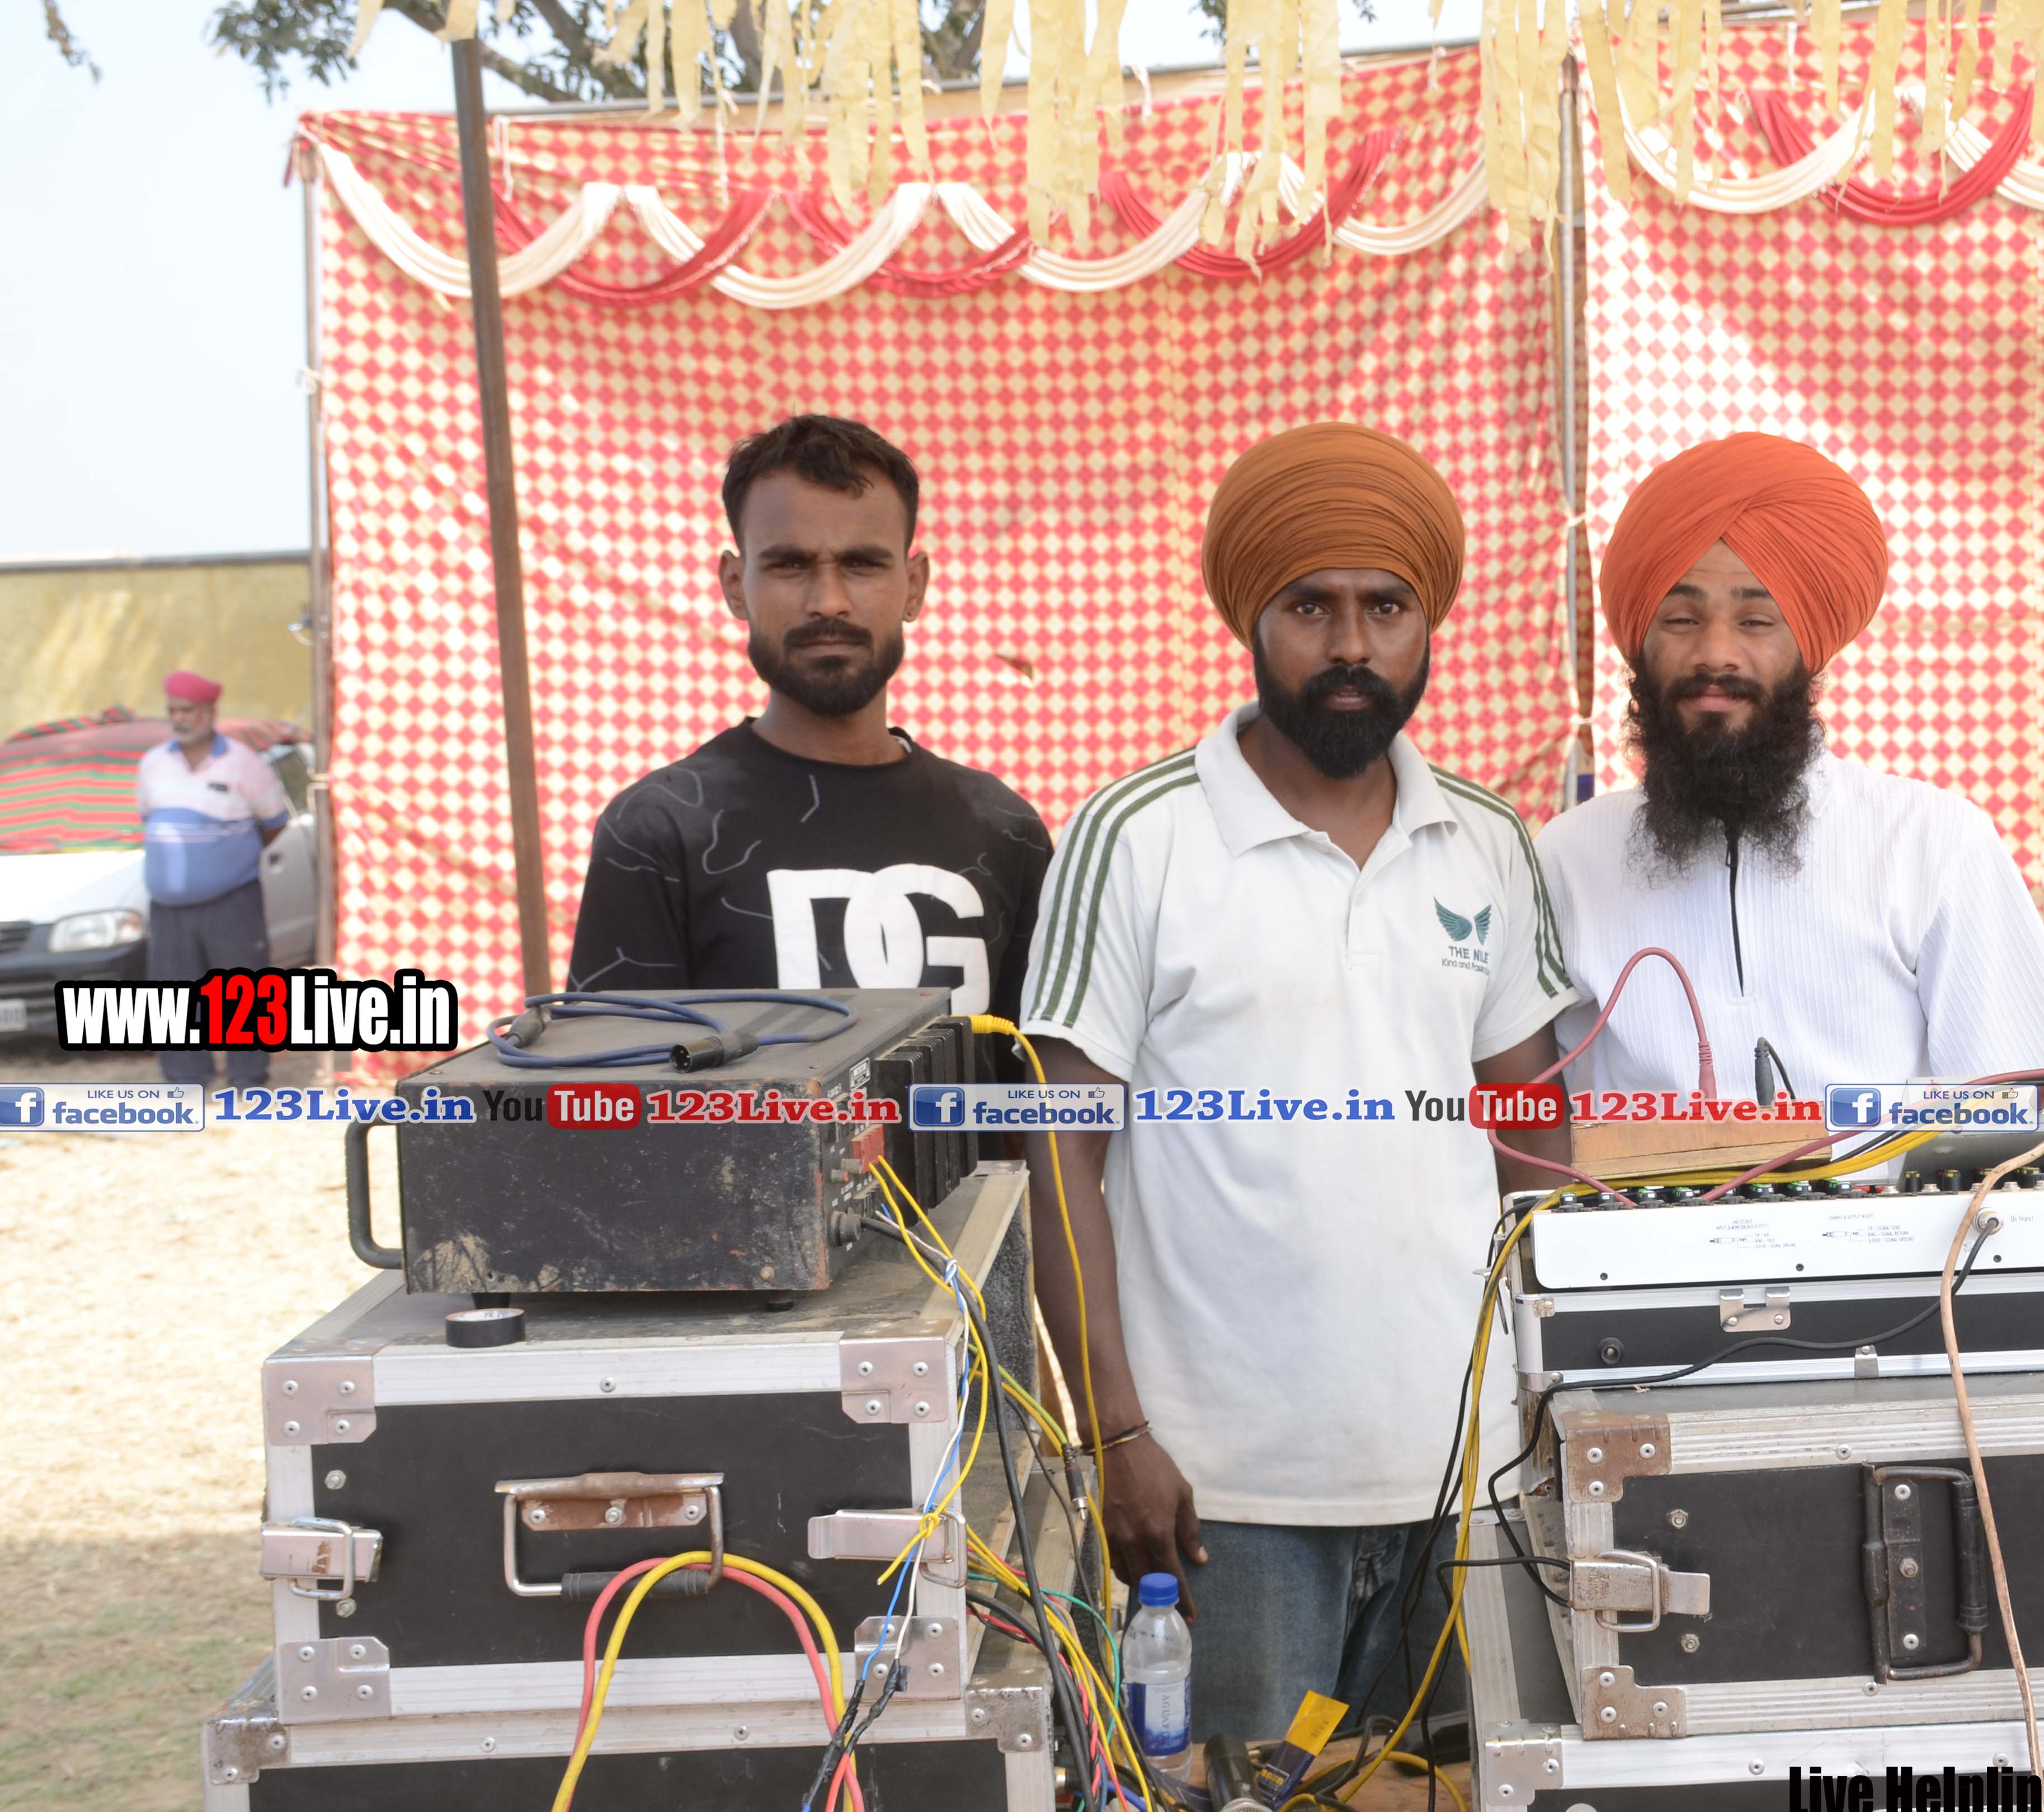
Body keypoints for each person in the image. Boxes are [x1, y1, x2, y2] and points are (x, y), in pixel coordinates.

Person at [1017, 423, 1580, 1743]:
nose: (1351, 644)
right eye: (1310, 606)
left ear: (1428, 623)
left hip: (1469, 1480)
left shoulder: (1488, 841)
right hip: (1221, 1494)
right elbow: (1059, 1151)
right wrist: (1115, 1435)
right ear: (1250, 620)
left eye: (1386, 606)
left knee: (1462, 1797)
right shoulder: (1135, 837)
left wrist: (1549, 1404)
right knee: (1238, 1804)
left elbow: (1533, 1135)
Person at [1536, 433, 2044, 1103]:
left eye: (1755, 622)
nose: (1715, 654)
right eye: (1681, 619)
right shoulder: (1566, 858)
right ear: (1640, 646)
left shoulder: (1931, 841)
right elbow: (1523, 1116)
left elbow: (2041, 1105)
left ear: (1809, 646)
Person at [567, 415, 1051, 1029]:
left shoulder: (1005, 830)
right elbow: (610, 1080)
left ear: (914, 587)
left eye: (862, 564)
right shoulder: (659, 832)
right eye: (790, 565)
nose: (828, 601)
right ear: (735, 585)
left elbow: (1039, 1076)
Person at [139, 669, 291, 1088]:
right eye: (173, 710)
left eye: (187, 710)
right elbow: (152, 821)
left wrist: (227, 859)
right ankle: (185, 1077)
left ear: (209, 712)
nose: (179, 718)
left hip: (232, 901)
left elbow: (274, 821)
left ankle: (248, 1077)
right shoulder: (153, 764)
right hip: (168, 908)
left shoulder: (243, 762)